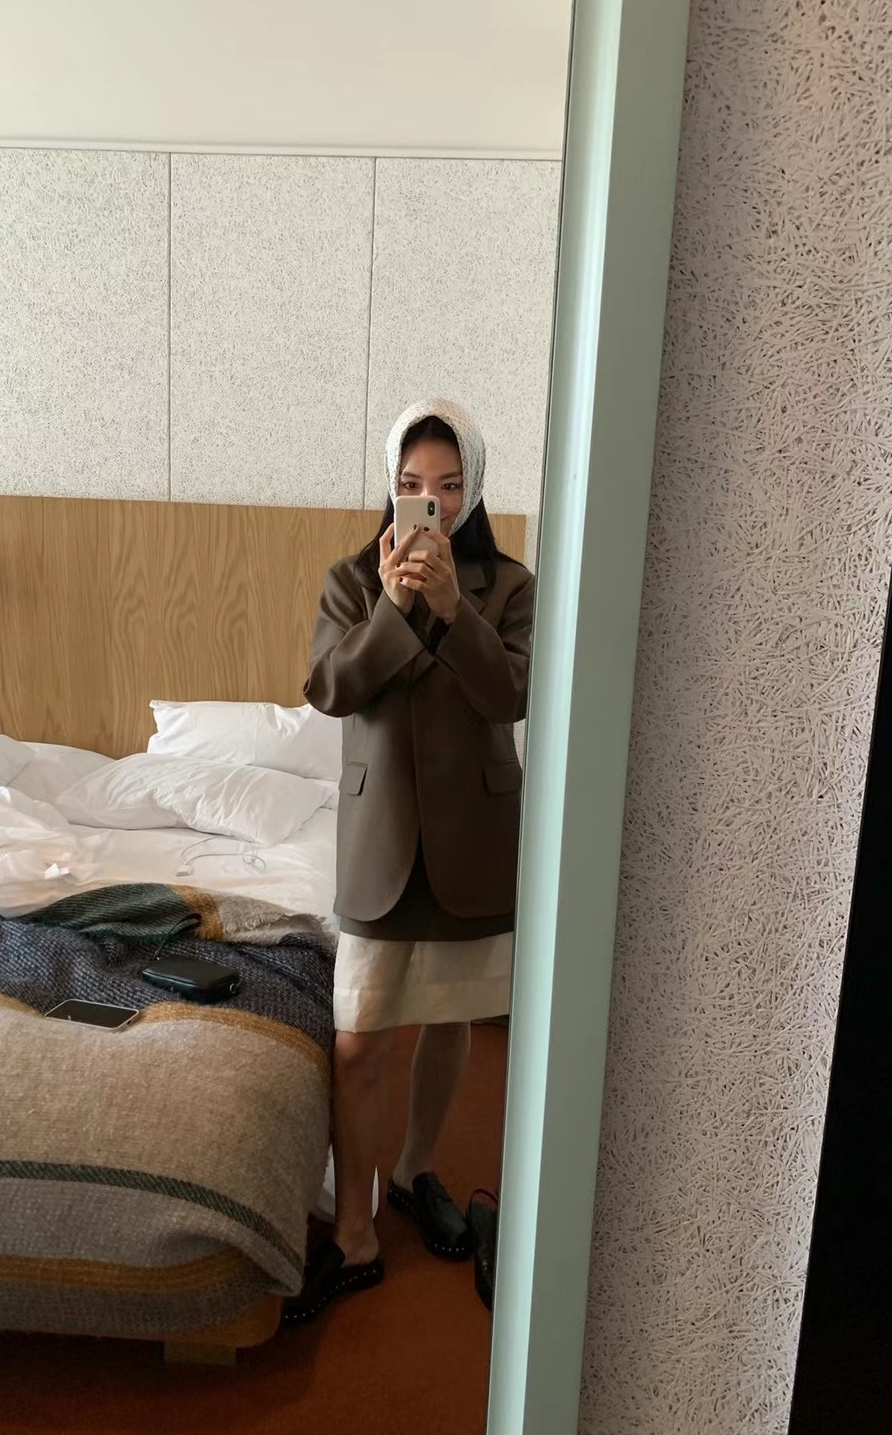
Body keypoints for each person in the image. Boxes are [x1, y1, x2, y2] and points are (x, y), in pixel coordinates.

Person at [284, 397, 534, 1324]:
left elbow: (512, 695)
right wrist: (394, 607)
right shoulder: (352, 581)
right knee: (358, 1038)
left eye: (450, 486)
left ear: (474, 492)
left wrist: (456, 611)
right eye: (412, 483)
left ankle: (417, 1169)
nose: (431, 501)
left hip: (474, 839)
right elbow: (330, 688)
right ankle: (354, 1231)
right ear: (390, 487)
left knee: (452, 1015)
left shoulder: (508, 585)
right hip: (383, 840)